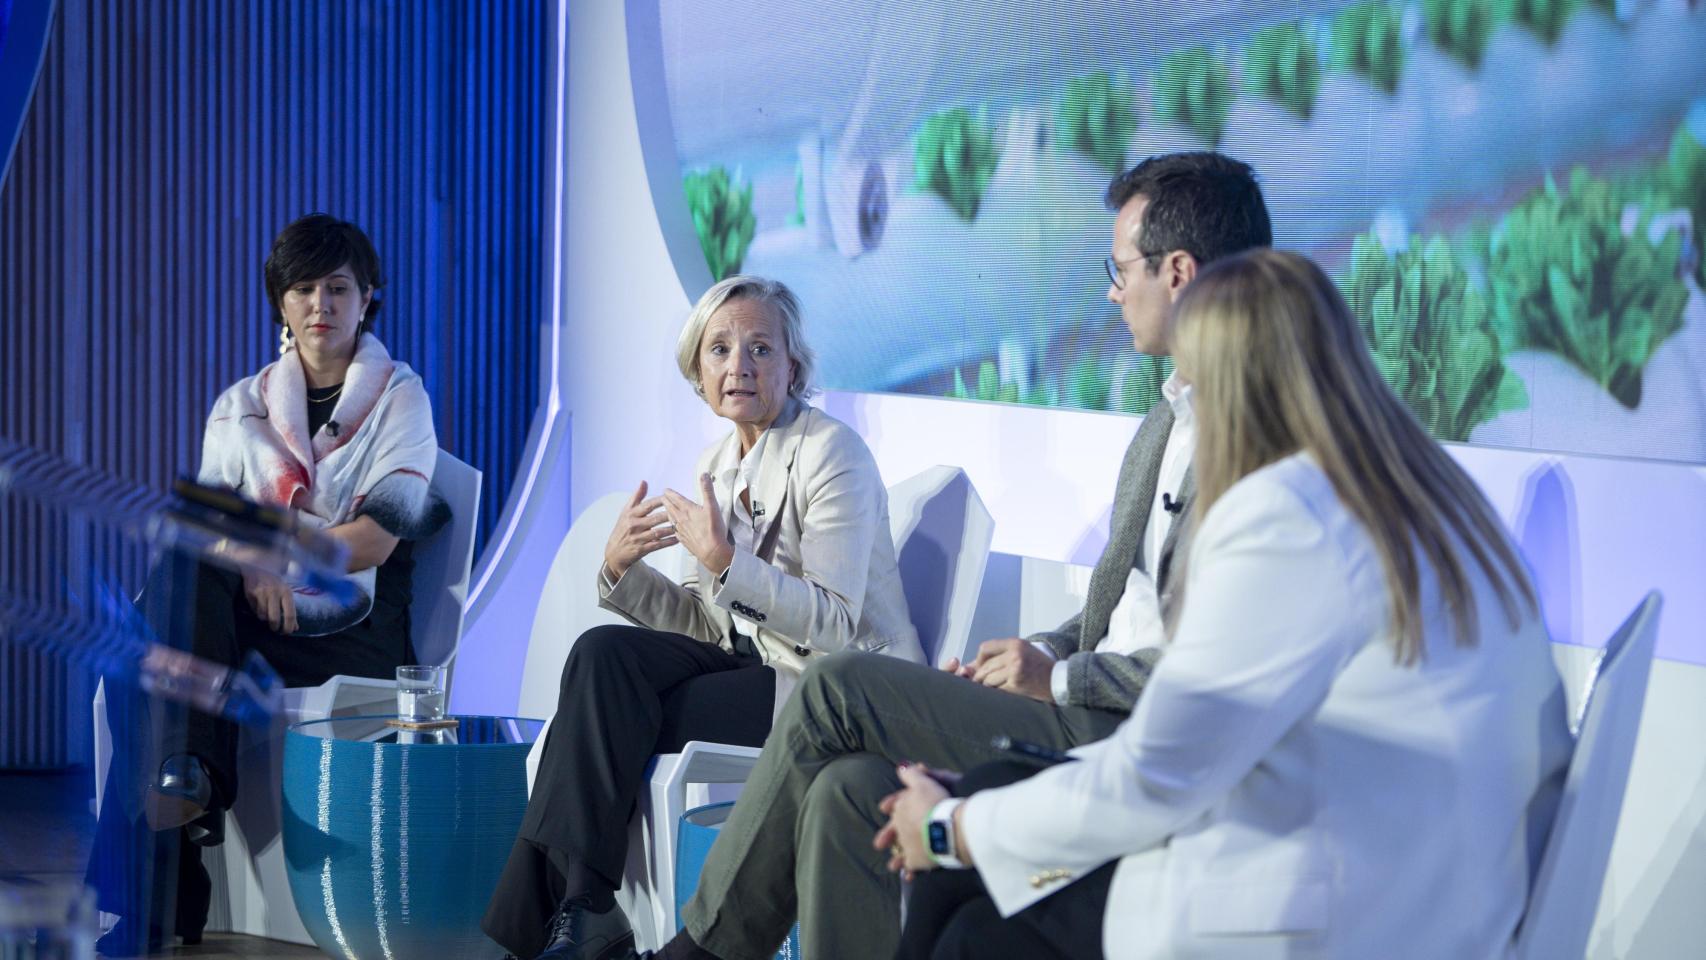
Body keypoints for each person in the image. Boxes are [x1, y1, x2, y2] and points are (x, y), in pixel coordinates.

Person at [645, 152, 1274, 960]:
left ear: (1178, 272)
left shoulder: (1254, 446)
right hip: (1081, 698)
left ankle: (698, 950)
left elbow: (1211, 670)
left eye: (1119, 270)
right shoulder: (1164, 425)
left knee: (837, 686)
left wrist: (1059, 676)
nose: (1112, 292)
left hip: (1130, 735)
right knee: (846, 792)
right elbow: (1119, 609)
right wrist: (1042, 646)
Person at [881, 249, 1573, 960]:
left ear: (1228, 383)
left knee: (971, 922)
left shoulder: (1290, 520)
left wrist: (951, 830)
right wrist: (984, 814)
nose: (1179, 396)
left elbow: (1157, 776)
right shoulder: (1432, 501)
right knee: (989, 833)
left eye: (1189, 375)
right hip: (1424, 900)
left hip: (1325, 915)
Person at [481, 275, 924, 960]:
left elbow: (836, 623)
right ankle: (582, 908)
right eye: (719, 350)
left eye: (759, 349)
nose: (738, 366)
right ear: (698, 371)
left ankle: (556, 922)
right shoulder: (716, 462)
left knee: (610, 713)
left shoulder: (834, 452)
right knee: (601, 654)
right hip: (753, 664)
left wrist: (724, 561)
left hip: (831, 686)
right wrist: (624, 575)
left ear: (794, 367)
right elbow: (707, 625)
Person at [90, 214, 445, 955]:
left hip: (353, 627)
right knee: (168, 599)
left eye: (339, 288)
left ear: (368, 297)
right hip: (247, 624)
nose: (322, 304)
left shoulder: (402, 399)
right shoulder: (241, 405)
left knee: (149, 645)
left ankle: (166, 844)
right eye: (304, 289)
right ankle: (183, 773)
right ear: (280, 303)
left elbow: (377, 535)